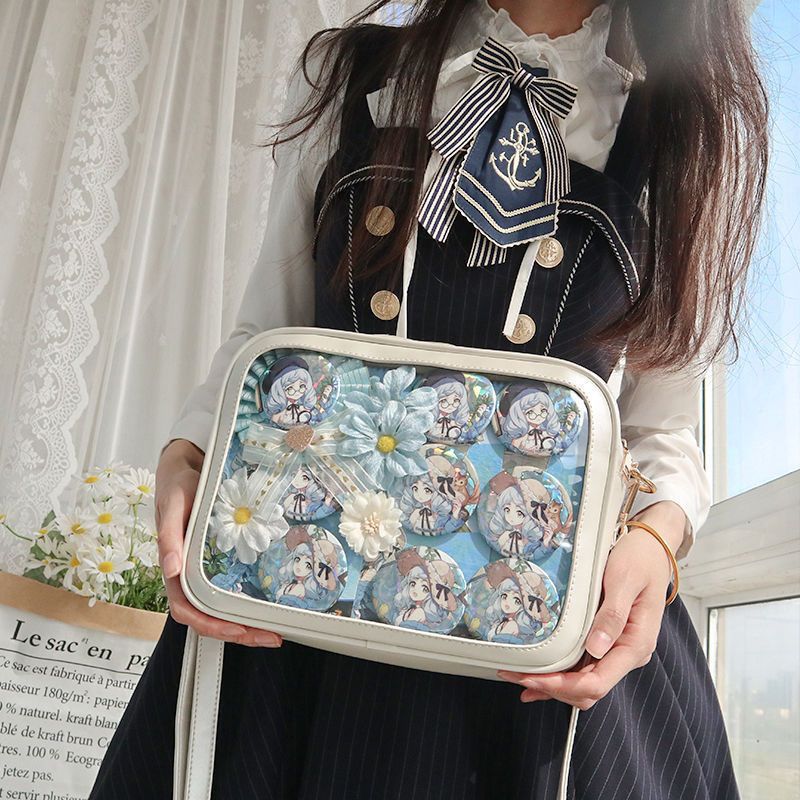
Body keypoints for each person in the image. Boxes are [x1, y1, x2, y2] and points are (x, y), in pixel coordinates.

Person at [89, 1, 768, 797]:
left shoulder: (685, 130)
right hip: (308, 593)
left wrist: (653, 545)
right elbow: (268, 333)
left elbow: (665, 433)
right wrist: (193, 447)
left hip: (540, 629)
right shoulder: (349, 72)